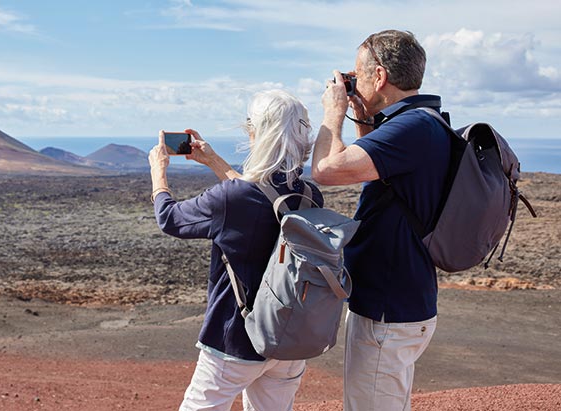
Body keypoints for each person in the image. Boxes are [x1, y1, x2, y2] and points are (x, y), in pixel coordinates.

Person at [149, 89, 324, 411]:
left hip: (235, 342)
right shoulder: (309, 195)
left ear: (256, 132)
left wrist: (158, 172)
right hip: (287, 340)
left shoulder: (232, 198)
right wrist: (214, 162)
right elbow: (264, 199)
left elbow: (169, 219)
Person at [312, 30, 448, 410]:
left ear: (380, 77)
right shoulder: (420, 123)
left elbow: (326, 170)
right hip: (400, 301)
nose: (351, 80)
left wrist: (333, 110)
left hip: (388, 311)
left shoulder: (411, 129)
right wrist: (361, 112)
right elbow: (371, 168)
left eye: (358, 73)